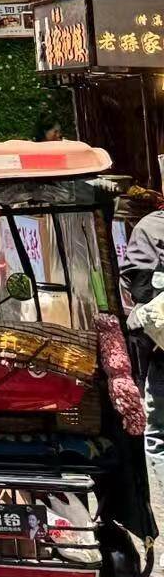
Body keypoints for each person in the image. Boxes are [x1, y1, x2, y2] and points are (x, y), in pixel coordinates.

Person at [117, 155, 164, 462]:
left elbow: (140, 287)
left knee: (159, 434)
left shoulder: (150, 227)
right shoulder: (151, 226)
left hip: (160, 346)